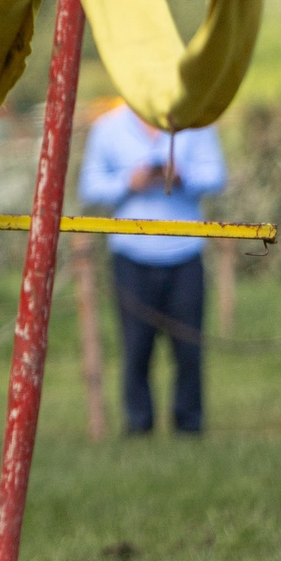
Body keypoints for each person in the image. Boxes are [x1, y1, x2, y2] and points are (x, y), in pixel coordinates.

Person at [80, 101, 228, 436]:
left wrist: (182, 176)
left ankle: (190, 426)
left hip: (185, 251)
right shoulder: (108, 127)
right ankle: (138, 426)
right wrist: (129, 181)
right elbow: (88, 186)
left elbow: (217, 176)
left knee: (189, 350)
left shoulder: (197, 121)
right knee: (135, 348)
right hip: (131, 254)